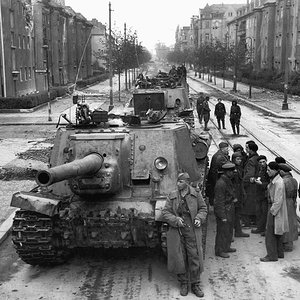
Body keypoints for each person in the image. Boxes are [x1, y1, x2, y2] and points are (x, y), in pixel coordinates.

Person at [162, 172, 207, 297]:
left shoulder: (195, 194)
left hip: (192, 228)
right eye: (177, 181)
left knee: (194, 255)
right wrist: (175, 219)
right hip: (177, 230)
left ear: (187, 182)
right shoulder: (172, 196)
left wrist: (199, 218)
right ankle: (184, 283)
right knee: (180, 257)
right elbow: (165, 212)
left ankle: (195, 284)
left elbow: (203, 208)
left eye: (181, 181)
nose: (178, 184)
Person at [260, 162, 289, 262]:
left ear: (275, 170)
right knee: (278, 233)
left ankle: (271, 255)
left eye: (269, 170)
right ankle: (279, 253)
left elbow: (278, 201)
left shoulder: (278, 183)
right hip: (277, 210)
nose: (267, 172)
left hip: (274, 210)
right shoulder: (276, 180)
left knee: (270, 234)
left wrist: (271, 213)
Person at [214, 162, 238, 258]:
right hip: (224, 209)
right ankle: (220, 250)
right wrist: (222, 216)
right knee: (222, 231)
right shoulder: (221, 183)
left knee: (228, 230)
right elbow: (219, 201)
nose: (233, 173)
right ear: (227, 172)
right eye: (231, 171)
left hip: (229, 208)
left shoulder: (227, 180)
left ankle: (226, 247)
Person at [278, 163, 298, 252]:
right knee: (291, 222)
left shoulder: (283, 181)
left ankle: (286, 244)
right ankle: (290, 243)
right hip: (291, 202)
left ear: (282, 171)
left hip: (285, 202)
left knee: (285, 223)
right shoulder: (294, 180)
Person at [232, 152, 250, 237]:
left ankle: (238, 231)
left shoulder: (238, 168)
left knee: (237, 213)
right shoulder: (234, 170)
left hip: (239, 193)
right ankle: (236, 232)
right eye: (237, 159)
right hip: (236, 195)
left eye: (240, 159)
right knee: (235, 214)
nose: (239, 161)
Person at [251, 155, 270, 235]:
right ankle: (260, 228)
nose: (262, 164)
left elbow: (270, 183)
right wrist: (253, 179)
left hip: (265, 195)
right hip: (259, 194)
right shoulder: (259, 170)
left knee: (264, 213)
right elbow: (257, 177)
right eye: (260, 162)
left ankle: (263, 229)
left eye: (263, 162)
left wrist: (262, 184)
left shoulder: (268, 171)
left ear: (266, 161)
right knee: (259, 212)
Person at [242, 142, 259, 227]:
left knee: (248, 203)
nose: (246, 149)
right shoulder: (256, 157)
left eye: (247, 148)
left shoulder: (252, 160)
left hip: (250, 185)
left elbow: (250, 173)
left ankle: (248, 222)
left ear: (251, 150)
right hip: (254, 184)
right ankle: (254, 220)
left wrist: (243, 182)